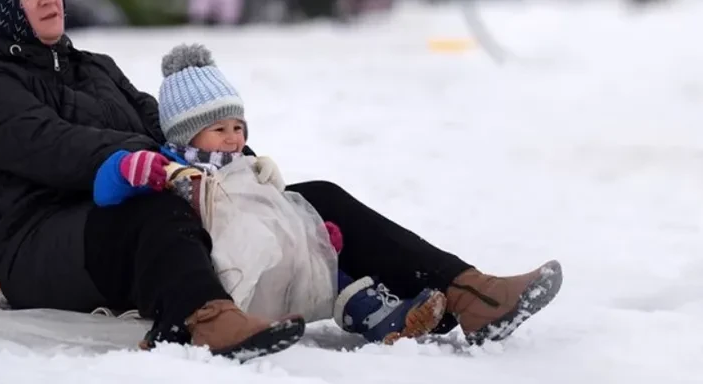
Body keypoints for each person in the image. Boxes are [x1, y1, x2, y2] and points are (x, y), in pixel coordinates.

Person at [0, 0, 562, 359]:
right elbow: (53, 147)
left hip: (129, 213)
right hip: (44, 249)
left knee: (311, 198)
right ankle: (206, 320)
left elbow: (166, 129)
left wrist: (243, 174)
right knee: (151, 208)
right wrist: (144, 164)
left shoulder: (91, 66)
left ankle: (469, 292)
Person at [92, 42, 450, 346]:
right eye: (220, 128)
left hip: (267, 261)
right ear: (186, 134)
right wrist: (127, 170)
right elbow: (105, 192)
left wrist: (311, 233)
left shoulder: (245, 165)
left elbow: (272, 210)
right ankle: (219, 324)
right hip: (220, 270)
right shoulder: (166, 166)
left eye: (238, 127)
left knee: (332, 268)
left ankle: (381, 316)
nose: (234, 138)